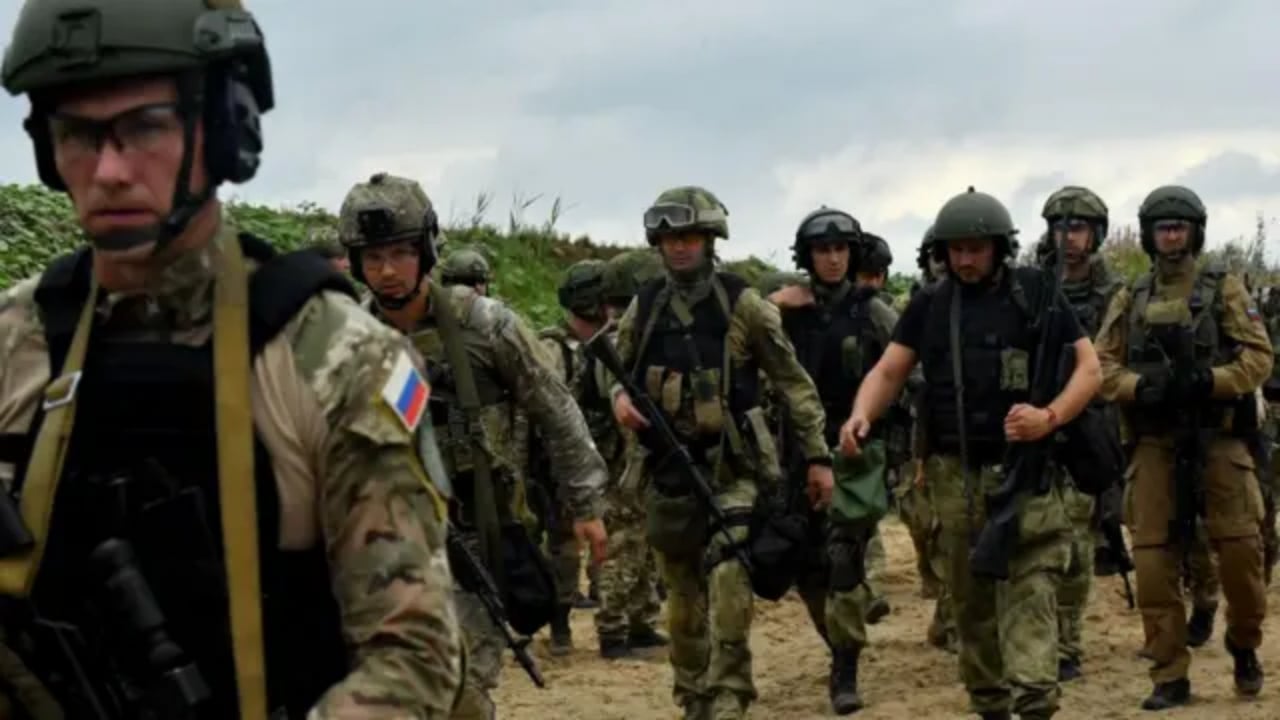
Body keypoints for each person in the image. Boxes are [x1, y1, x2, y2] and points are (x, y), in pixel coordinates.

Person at [0, 1, 462, 717]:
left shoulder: (331, 357)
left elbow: (415, 657)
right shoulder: (16, 343)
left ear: (222, 130)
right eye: (77, 133)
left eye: (146, 126)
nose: (110, 169)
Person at [336, 172, 608, 719]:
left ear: (428, 250)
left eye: (400, 253)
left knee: (458, 690)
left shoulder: (485, 326)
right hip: (385, 545)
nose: (386, 271)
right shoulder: (347, 337)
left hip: (478, 537)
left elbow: (556, 411)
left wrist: (585, 504)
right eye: (373, 257)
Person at [841, 187, 1102, 720]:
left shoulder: (1037, 294)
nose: (964, 259)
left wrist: (1048, 417)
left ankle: (1034, 699)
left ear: (999, 248)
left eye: (975, 248)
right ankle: (990, 704)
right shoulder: (931, 304)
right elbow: (890, 370)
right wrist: (862, 413)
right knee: (971, 603)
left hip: (1026, 474)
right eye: (955, 249)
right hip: (954, 479)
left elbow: (1089, 370)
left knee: (1031, 590)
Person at [610, 186, 831, 720]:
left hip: (734, 471)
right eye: (669, 239)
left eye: (689, 237)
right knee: (683, 604)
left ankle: (731, 696)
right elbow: (611, 367)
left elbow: (794, 383)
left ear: (710, 240)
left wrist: (819, 456)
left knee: (730, 584)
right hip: (668, 471)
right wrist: (618, 397)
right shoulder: (645, 307)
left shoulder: (744, 305)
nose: (679, 248)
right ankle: (695, 698)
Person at [1094, 184, 1269, 710]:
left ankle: (1243, 644)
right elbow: (1100, 366)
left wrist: (1212, 381)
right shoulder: (1132, 296)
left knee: (1242, 553)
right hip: (1155, 443)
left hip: (1217, 439)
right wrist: (1139, 388)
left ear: (1195, 232)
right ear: (1149, 235)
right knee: (1152, 562)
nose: (1171, 235)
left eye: (1180, 227)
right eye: (1162, 227)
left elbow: (1259, 358)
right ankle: (1170, 672)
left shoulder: (1225, 289)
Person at [768, 206, 899, 713]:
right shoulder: (785, 312)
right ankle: (839, 642)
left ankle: (845, 670)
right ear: (808, 257)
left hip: (854, 456)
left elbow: (908, 365)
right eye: (823, 250)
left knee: (844, 560)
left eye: (841, 249)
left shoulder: (873, 312)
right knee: (804, 563)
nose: (833, 259)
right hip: (796, 455)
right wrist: (774, 303)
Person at [552, 259, 666, 659]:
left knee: (644, 544)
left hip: (630, 461)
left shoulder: (623, 337)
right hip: (620, 464)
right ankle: (614, 632)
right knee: (623, 545)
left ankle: (641, 623)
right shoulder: (615, 343)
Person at [1035, 185, 1124, 681]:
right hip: (1035, 423)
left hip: (1089, 428)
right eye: (1059, 227)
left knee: (1075, 541)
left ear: (1097, 235)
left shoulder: (1115, 295)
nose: (1068, 238)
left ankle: (1067, 644)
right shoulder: (1031, 286)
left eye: (1079, 229)